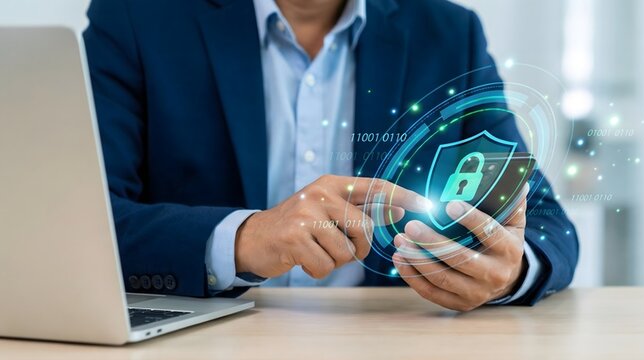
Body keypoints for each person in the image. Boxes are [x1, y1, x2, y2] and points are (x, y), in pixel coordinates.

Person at [83, 0, 579, 311]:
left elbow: (544, 221)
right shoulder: (134, 16)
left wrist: (509, 273)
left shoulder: (448, 34)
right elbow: (86, 222)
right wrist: (243, 241)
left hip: (396, 343)